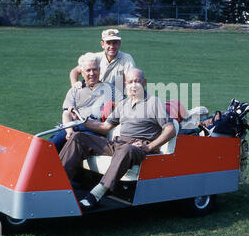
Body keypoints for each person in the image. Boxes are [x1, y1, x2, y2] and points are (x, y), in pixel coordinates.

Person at [59, 68, 176, 210]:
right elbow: (105, 126)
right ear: (126, 84)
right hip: (118, 143)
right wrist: (83, 121)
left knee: (126, 149)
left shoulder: (154, 102)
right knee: (78, 138)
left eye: (138, 81)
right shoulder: (124, 104)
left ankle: (96, 194)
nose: (134, 85)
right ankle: (58, 184)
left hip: (138, 147)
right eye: (131, 82)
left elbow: (171, 129)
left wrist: (149, 147)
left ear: (144, 83)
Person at [49, 53, 113, 152]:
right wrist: (69, 131)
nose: (92, 73)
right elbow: (66, 113)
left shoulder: (109, 89)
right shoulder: (75, 90)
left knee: (77, 142)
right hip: (73, 125)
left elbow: (123, 104)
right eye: (88, 70)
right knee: (53, 143)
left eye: (95, 69)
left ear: (99, 70)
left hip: (94, 128)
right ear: (82, 72)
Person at [69, 29, 135, 97]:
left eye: (115, 43)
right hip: (95, 97)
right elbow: (75, 71)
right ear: (102, 44)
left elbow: (132, 79)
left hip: (116, 99)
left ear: (119, 43)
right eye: (108, 43)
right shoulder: (95, 58)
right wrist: (75, 85)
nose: (112, 47)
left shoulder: (127, 59)